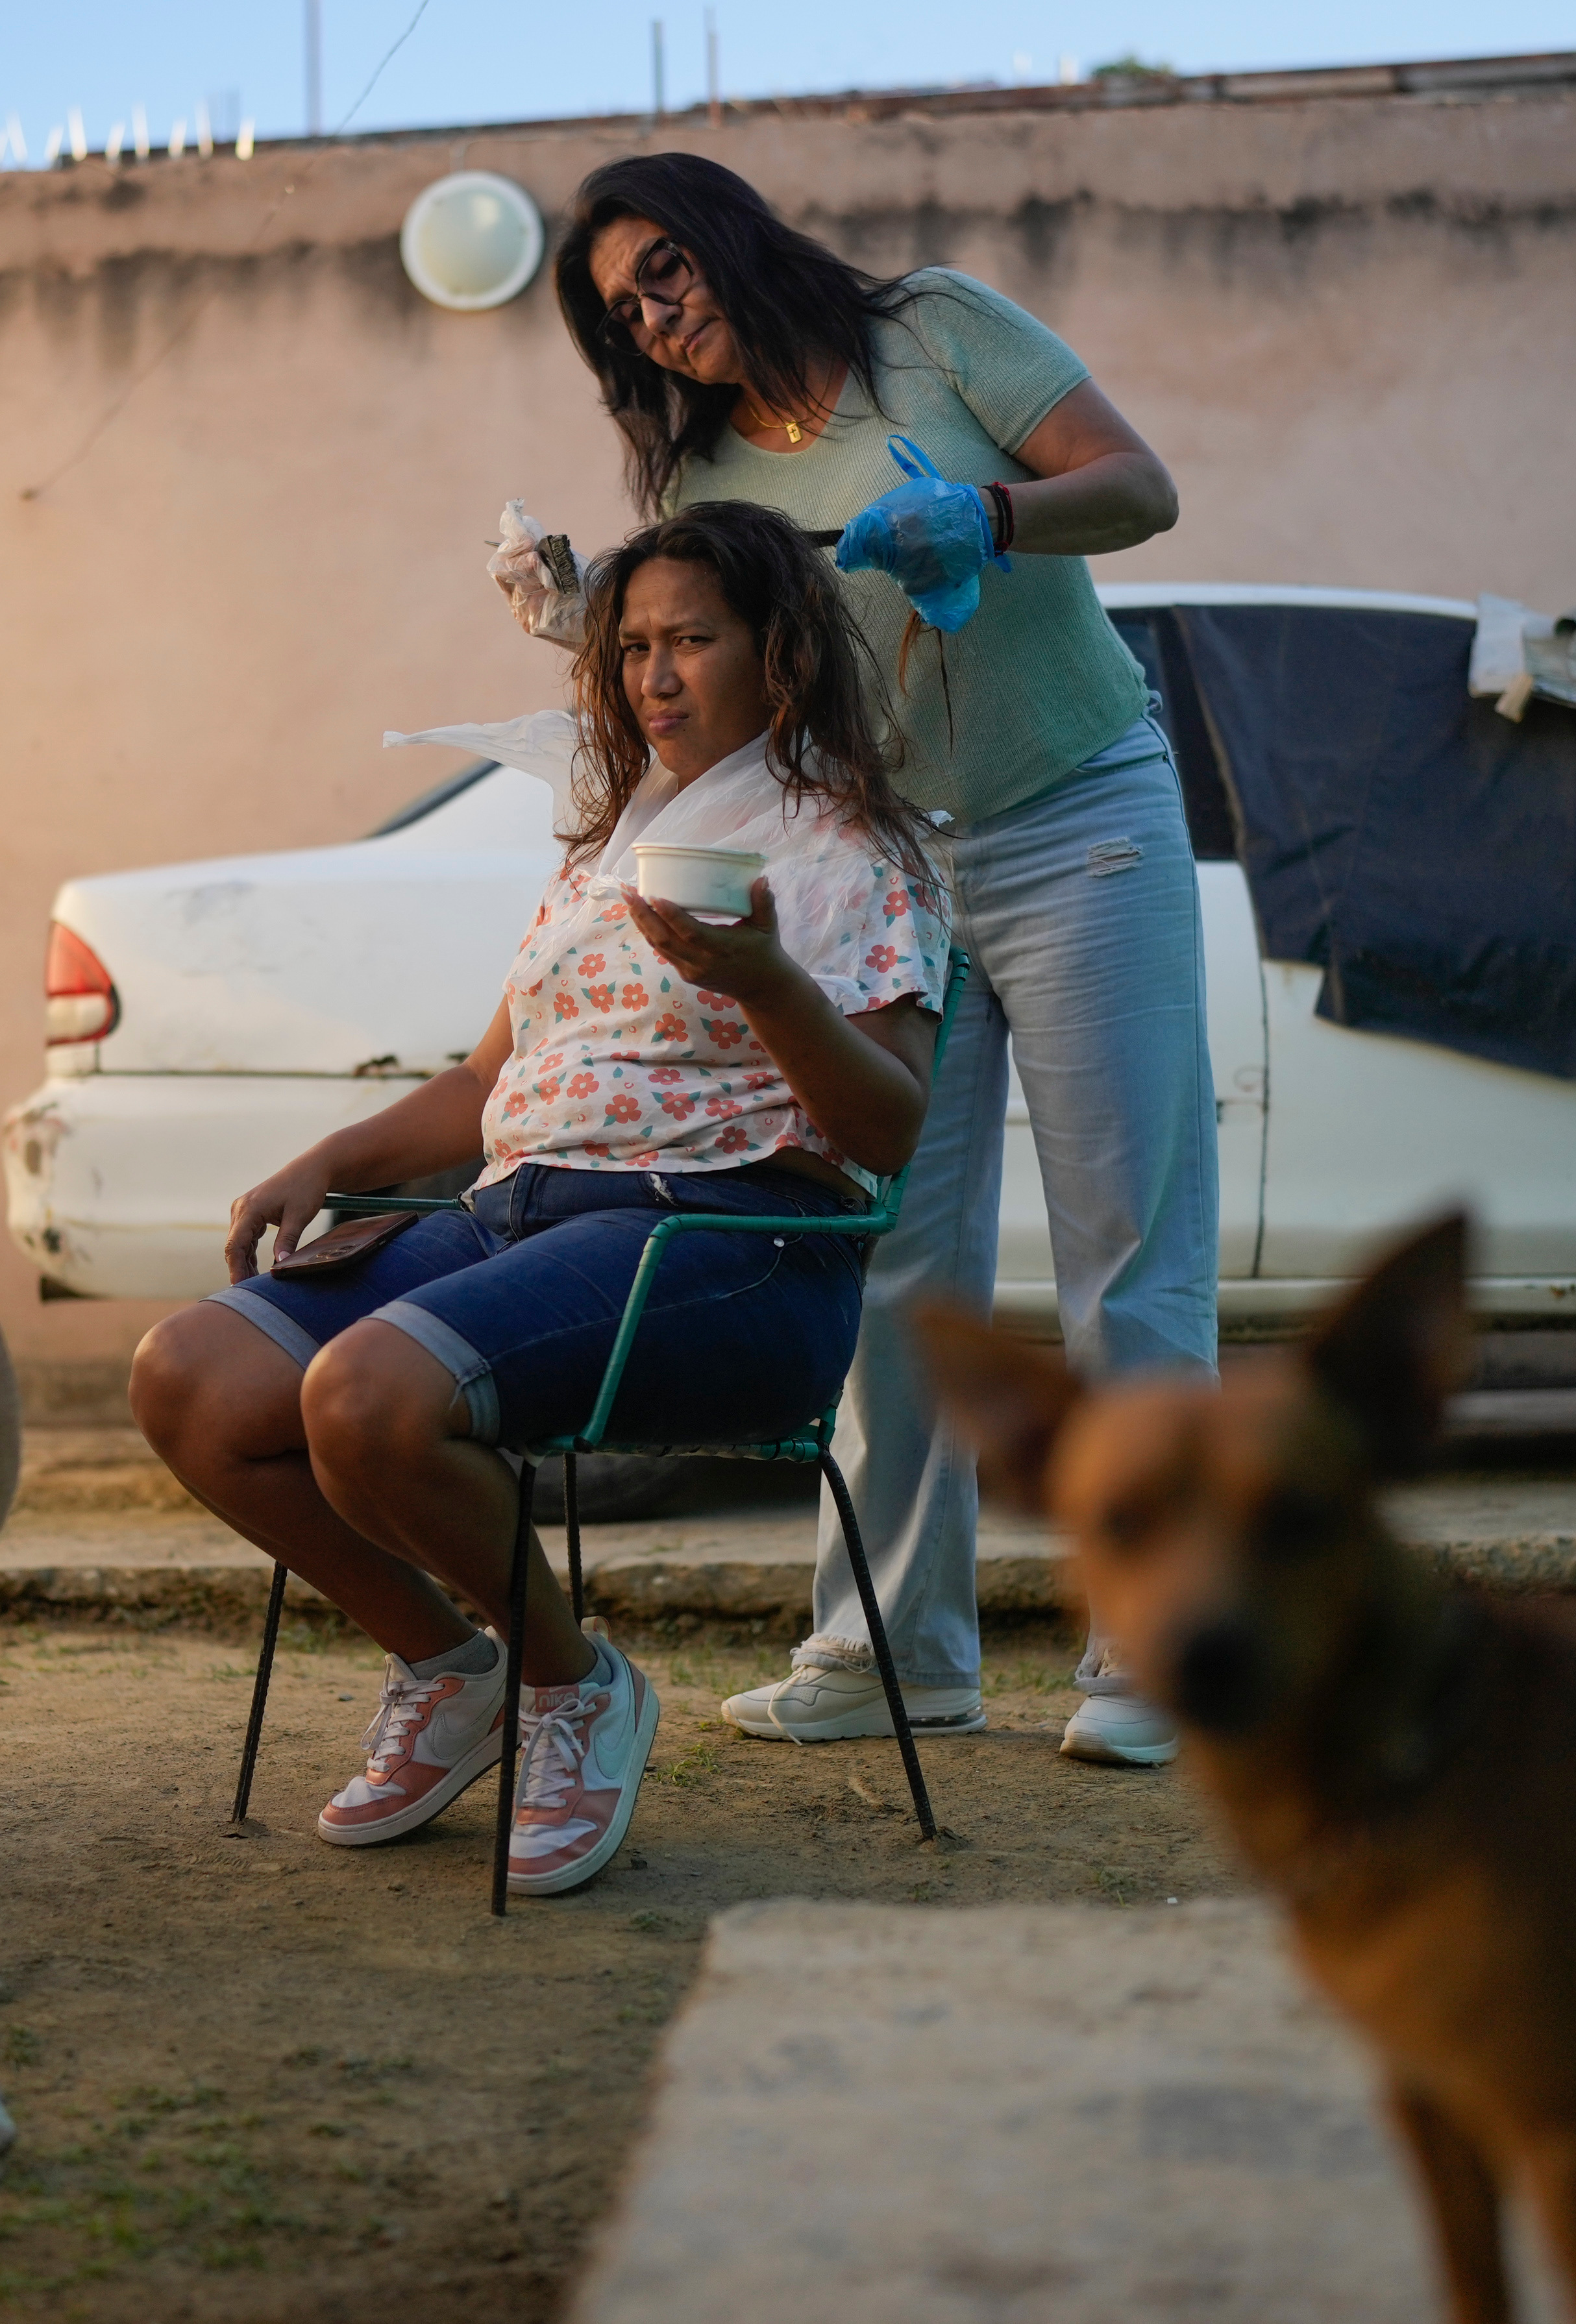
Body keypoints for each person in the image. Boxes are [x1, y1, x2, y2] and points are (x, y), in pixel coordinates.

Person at [499, 152, 1214, 1767]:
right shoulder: (698, 489)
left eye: (666, 270)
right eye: (623, 315)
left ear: (735, 235)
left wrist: (988, 513)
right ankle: (890, 1653)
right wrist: (590, 623)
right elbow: (726, 677)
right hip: (886, 862)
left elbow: (1140, 486)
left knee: (1130, 1240)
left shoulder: (939, 330)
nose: (658, 318)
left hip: (1076, 812)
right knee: (886, 1249)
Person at [132, 501, 948, 1898]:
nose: (655, 675)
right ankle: (455, 1671)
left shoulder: (848, 854)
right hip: (519, 1214)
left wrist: (764, 981)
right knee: (190, 1376)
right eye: (632, 646)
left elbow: (886, 1130)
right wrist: (335, 1155)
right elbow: (485, 1084)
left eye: (693, 639)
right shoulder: (604, 852)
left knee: (366, 1398)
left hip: (732, 1240)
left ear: (781, 655)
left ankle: (577, 1690)